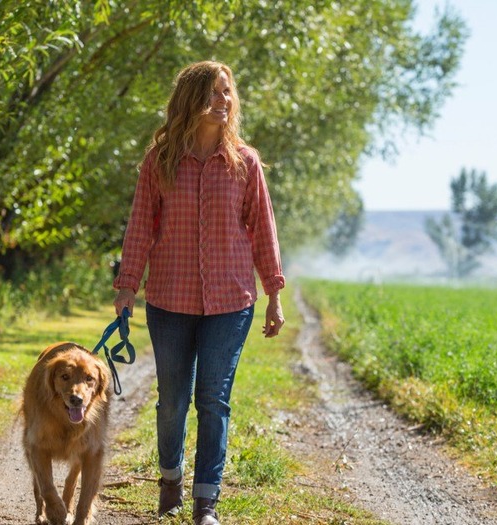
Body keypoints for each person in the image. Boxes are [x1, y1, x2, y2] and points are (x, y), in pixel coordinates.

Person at [112, 60, 285, 525]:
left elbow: (263, 231)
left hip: (231, 303)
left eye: (227, 92)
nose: (222, 101)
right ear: (191, 100)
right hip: (169, 300)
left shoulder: (245, 163)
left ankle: (206, 501)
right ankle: (170, 481)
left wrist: (274, 292)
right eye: (213, 93)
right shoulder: (161, 160)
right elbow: (139, 228)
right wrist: (127, 286)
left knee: (214, 399)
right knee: (172, 400)